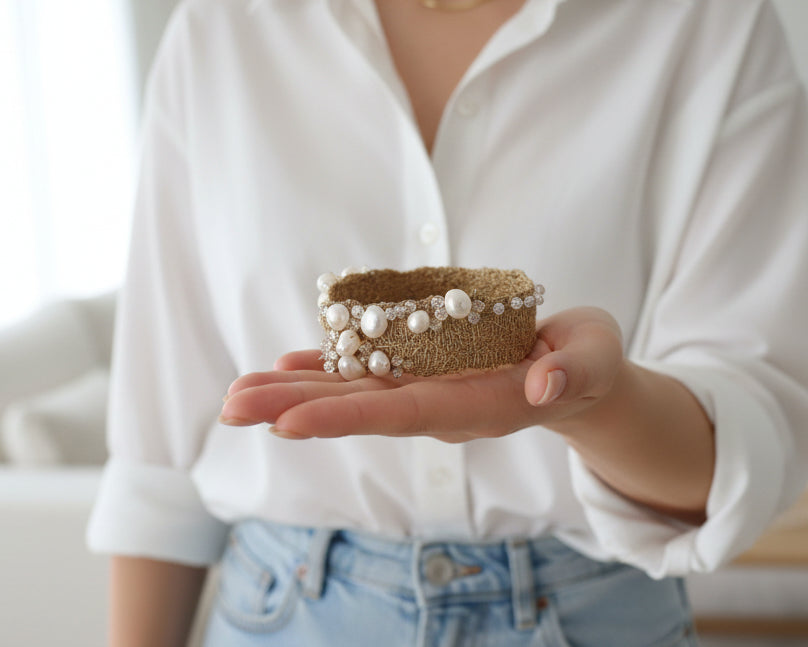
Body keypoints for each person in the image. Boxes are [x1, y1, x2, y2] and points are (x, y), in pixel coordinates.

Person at [87, 0, 808, 645]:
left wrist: (601, 405)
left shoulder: (710, 22)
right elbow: (161, 458)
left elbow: (748, 436)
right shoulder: (222, 29)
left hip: (594, 612)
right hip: (284, 611)